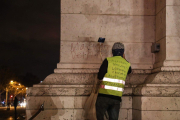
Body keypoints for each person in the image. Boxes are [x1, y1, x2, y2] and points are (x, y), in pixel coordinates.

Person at [96, 42, 132, 120]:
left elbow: (99, 76)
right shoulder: (127, 64)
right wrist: (124, 58)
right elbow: (129, 71)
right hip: (116, 98)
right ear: (123, 53)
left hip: (104, 96)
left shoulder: (108, 60)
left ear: (112, 52)